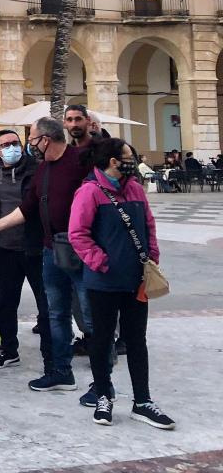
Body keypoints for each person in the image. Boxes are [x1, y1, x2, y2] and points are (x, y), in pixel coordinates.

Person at [0, 116, 97, 398]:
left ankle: (101, 380)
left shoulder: (80, 161)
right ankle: (59, 371)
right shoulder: (43, 169)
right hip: (50, 248)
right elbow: (27, 208)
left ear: (45, 139)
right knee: (56, 313)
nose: (28, 146)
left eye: (29, 140)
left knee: (90, 315)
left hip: (79, 250)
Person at [68, 138, 175, 430]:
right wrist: (101, 262)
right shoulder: (89, 192)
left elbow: (149, 226)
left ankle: (143, 401)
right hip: (103, 282)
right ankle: (103, 395)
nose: (133, 160)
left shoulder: (136, 190)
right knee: (101, 340)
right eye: (129, 156)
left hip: (136, 280)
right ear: (114, 162)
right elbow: (78, 233)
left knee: (136, 340)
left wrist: (151, 256)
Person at [0, 129, 51, 371]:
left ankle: (51, 354)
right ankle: (10, 351)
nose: (12, 148)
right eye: (5, 145)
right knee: (6, 303)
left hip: (34, 248)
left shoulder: (37, 171)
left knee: (46, 303)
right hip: (3, 249)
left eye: (15, 143)